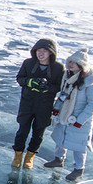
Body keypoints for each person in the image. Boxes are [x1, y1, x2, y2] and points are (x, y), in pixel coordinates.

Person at [44, 48, 93, 181]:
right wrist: (57, 108)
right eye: (69, 62)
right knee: (60, 138)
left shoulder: (89, 83)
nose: (70, 65)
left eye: (74, 63)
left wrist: (80, 120)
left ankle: (78, 169)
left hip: (79, 119)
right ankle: (58, 159)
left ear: (82, 66)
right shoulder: (68, 78)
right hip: (65, 114)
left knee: (78, 145)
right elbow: (63, 95)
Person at [12, 38, 64, 169]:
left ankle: (29, 157)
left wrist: (47, 87)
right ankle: (18, 155)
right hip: (27, 104)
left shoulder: (58, 68)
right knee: (22, 130)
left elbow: (59, 86)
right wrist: (31, 82)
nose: (41, 53)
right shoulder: (28, 63)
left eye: (45, 51)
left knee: (38, 132)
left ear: (51, 53)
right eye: (39, 50)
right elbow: (20, 78)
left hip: (44, 106)